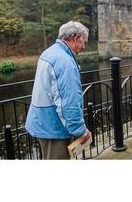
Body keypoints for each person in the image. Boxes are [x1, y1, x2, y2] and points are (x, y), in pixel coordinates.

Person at [25, 21, 91, 159]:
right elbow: (69, 102)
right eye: (83, 41)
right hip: (54, 127)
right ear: (75, 37)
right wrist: (80, 131)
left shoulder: (49, 53)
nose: (84, 46)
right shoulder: (65, 62)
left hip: (42, 121)